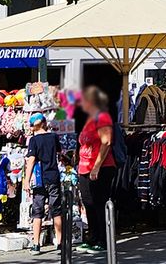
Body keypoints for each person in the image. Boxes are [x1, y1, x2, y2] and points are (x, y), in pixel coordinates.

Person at [76, 86, 116, 251]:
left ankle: (102, 239)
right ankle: (92, 237)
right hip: (84, 167)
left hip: (100, 167)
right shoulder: (89, 119)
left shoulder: (103, 117)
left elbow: (106, 142)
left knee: (99, 203)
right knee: (88, 203)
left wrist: (96, 167)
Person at [23, 113, 63, 254]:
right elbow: (59, 152)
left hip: (40, 179)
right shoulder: (53, 137)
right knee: (56, 209)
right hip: (53, 176)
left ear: (35, 126)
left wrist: (26, 181)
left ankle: (36, 244)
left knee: (38, 211)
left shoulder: (34, 140)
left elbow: (31, 160)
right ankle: (59, 242)